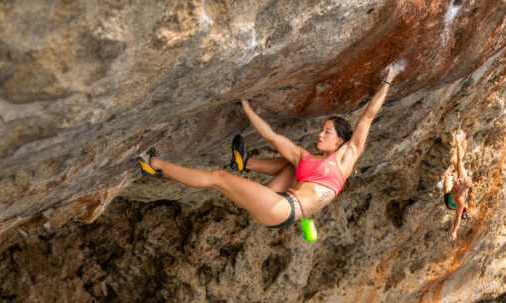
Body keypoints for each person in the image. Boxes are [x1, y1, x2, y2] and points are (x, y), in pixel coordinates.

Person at [137, 65, 398, 229]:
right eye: (321, 129)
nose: (320, 134)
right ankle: (245, 162)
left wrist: (388, 80)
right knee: (292, 162)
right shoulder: (305, 158)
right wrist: (247, 108)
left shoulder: (345, 158)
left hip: (283, 209)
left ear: (340, 141)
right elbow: (273, 137)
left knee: (218, 178)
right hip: (280, 201)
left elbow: (367, 117)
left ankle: (155, 165)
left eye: (326, 132)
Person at [442, 129, 472, 240]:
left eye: (459, 183)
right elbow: (460, 159)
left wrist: (454, 232)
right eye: (459, 180)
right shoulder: (462, 177)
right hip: (462, 198)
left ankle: (465, 210)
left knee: (447, 176)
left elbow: (458, 218)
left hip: (450, 201)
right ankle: (462, 136)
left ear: (463, 188)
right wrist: (458, 141)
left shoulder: (460, 200)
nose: (457, 181)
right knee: (458, 163)